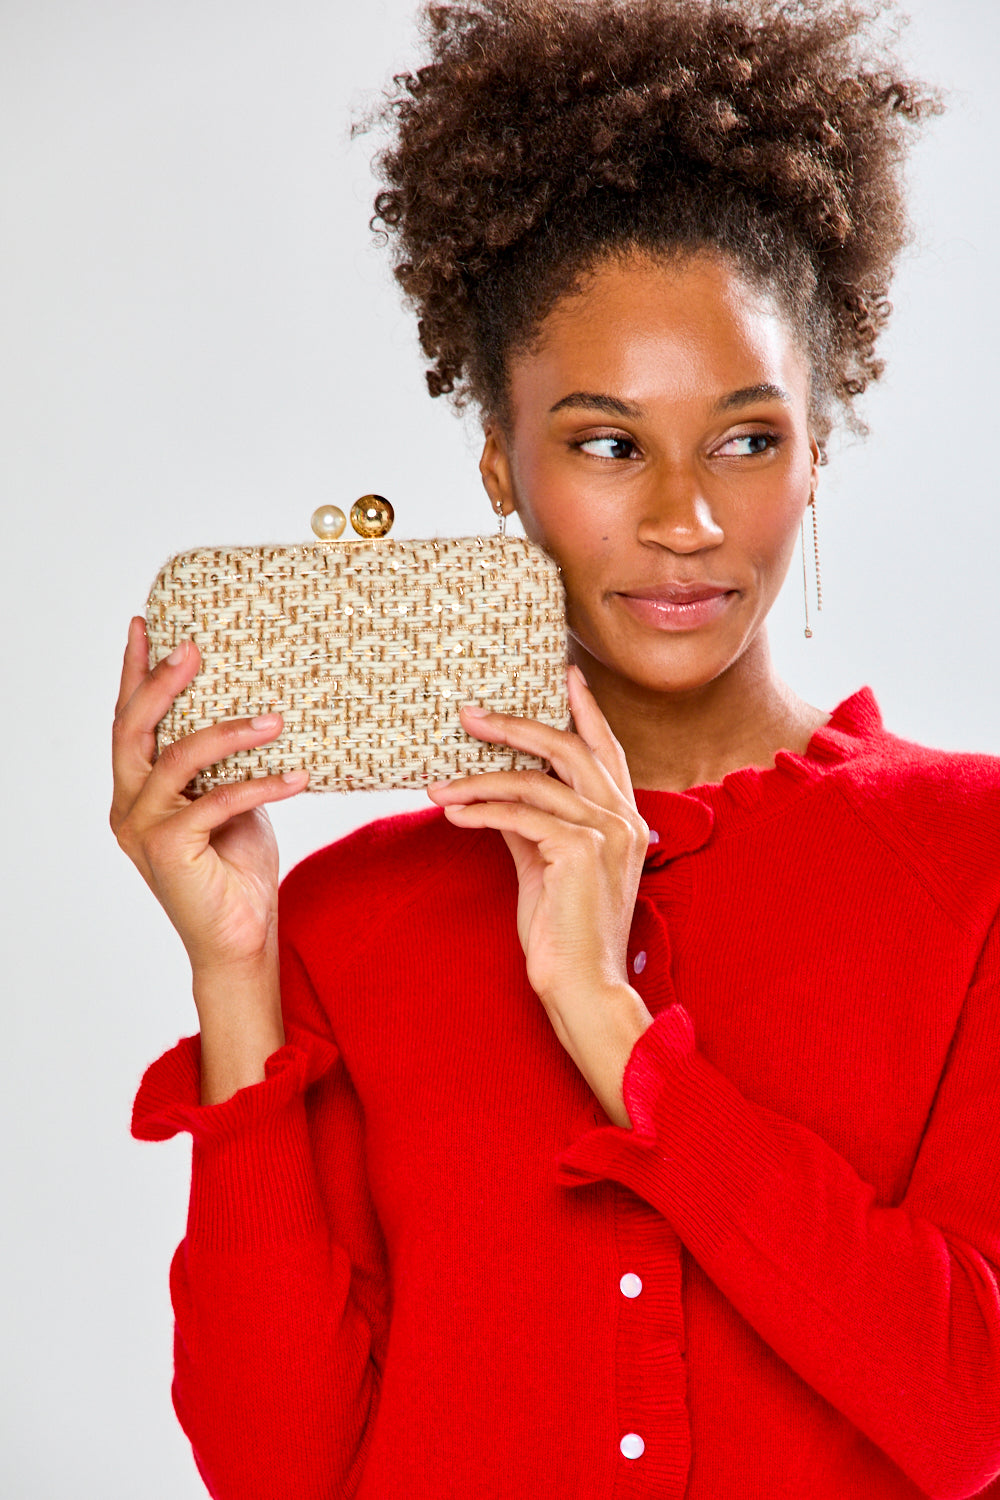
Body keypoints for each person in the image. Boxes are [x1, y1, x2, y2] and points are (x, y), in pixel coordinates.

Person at [111, 1, 1000, 1496]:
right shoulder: (349, 922)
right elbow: (275, 1468)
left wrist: (604, 1018)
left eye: (746, 437)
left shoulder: (974, 860)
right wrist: (236, 972)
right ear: (498, 467)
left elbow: (970, 1410)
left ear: (818, 453)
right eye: (603, 441)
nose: (684, 518)